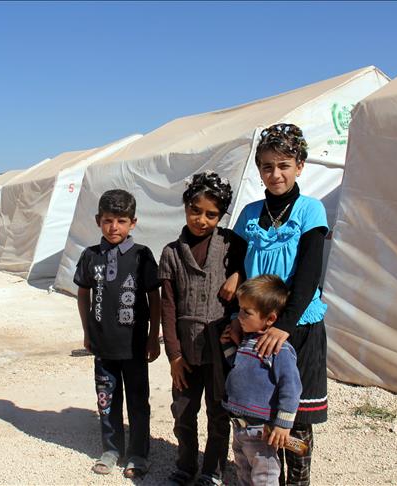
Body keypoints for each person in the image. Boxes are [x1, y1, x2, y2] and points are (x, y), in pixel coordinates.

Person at [231, 123, 329, 485]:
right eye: (268, 166)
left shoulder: (310, 211)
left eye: (284, 165)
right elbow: (236, 267)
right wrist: (236, 318)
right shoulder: (249, 214)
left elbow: (309, 275)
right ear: (259, 169)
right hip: (256, 327)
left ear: (300, 166)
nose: (276, 174)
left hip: (297, 327)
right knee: (262, 412)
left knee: (296, 418)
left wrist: (284, 326)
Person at [158, 171, 245, 486]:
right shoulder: (171, 253)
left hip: (221, 349)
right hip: (186, 350)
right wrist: (174, 356)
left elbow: (249, 269)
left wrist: (237, 274)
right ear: (185, 207)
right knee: (183, 411)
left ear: (221, 216)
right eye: (195, 211)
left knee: (218, 412)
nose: (202, 220)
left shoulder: (231, 244)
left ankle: (212, 471)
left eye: (211, 214)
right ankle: (185, 466)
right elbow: (168, 307)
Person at [74, 189, 161, 479]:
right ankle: (111, 449)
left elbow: (154, 298)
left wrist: (153, 336)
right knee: (106, 399)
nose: (114, 227)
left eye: (121, 221)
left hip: (134, 345)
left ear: (132, 223)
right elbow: (83, 293)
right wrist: (87, 330)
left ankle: (138, 453)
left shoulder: (141, 255)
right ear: (98, 220)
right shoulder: (90, 256)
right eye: (108, 220)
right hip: (103, 345)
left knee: (138, 400)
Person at [221, 275, 301, 486]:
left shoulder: (279, 350)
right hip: (239, 427)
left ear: (271, 318)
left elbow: (291, 388)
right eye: (240, 309)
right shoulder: (247, 340)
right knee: (244, 473)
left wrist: (283, 424)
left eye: (246, 312)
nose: (239, 316)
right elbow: (240, 368)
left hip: (261, 431)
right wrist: (227, 346)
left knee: (264, 477)